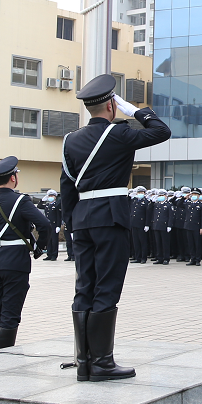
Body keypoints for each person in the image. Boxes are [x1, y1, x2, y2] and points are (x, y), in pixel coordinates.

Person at [60, 73, 171, 382]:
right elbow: (162, 131)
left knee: (85, 287)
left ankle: (84, 361)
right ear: (111, 106)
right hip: (110, 217)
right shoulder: (118, 134)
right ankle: (103, 363)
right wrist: (136, 111)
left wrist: (72, 224)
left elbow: (67, 187)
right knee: (107, 286)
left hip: (81, 220)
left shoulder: (71, 140)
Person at [0, 156, 52, 350]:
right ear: (13, 178)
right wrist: (39, 247)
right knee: (10, 310)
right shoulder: (20, 200)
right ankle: (4, 354)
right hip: (15, 261)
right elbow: (44, 225)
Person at [147, 189, 173, 265]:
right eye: (159, 195)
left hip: (164, 226)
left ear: (165, 196)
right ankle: (159, 258)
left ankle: (166, 258)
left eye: (162, 195)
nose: (160, 197)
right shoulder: (156, 204)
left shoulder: (169, 205)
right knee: (158, 243)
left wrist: (169, 225)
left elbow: (170, 216)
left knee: (165, 243)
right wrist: (151, 202)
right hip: (156, 226)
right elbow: (149, 210)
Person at [40, 190, 62, 261]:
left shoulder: (56, 205)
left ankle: (54, 255)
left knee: (54, 241)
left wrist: (58, 225)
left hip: (54, 225)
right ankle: (49, 254)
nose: (50, 197)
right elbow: (39, 206)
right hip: (48, 225)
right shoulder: (47, 205)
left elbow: (59, 216)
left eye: (52, 196)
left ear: (55, 197)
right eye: (49, 196)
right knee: (48, 241)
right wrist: (42, 200)